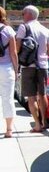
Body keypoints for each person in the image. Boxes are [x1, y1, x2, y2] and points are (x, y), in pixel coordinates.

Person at [16, 5, 49, 133]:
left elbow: (17, 48)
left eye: (23, 14)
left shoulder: (24, 27)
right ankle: (44, 122)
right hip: (43, 67)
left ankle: (37, 125)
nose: (22, 16)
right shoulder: (46, 30)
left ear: (28, 15)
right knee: (42, 94)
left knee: (31, 97)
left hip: (28, 67)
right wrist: (42, 56)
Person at [0, 7, 19, 138]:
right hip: (6, 68)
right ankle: (9, 129)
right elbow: (13, 53)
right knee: (8, 98)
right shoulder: (8, 30)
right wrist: (16, 69)